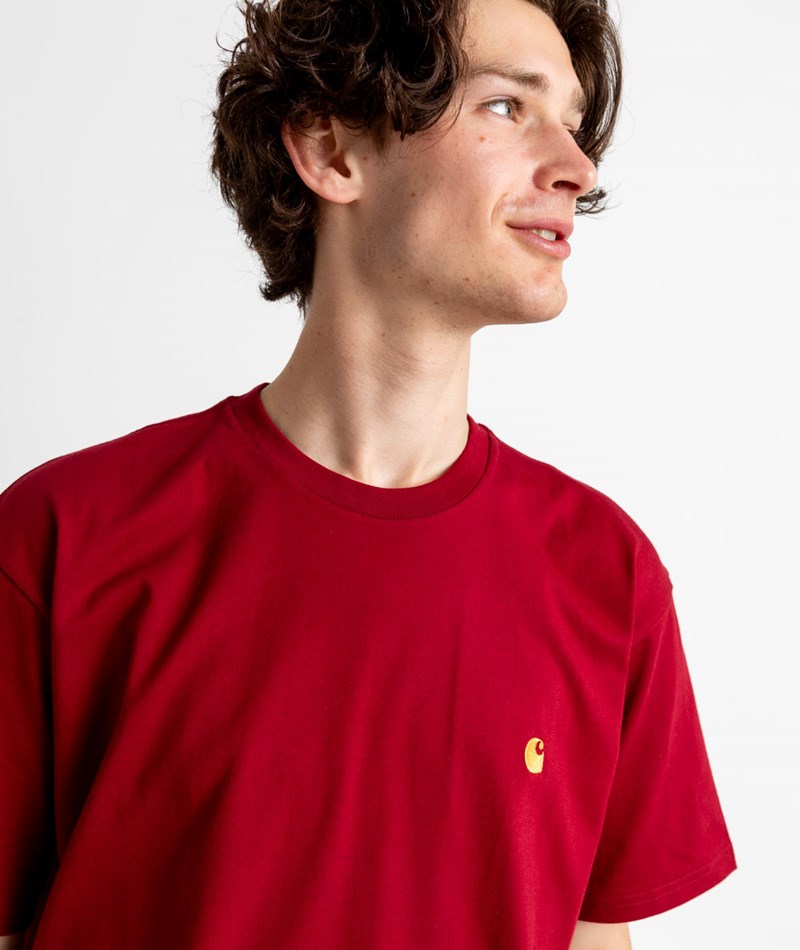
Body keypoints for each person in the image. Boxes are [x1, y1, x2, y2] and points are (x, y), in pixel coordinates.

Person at [0, 0, 736, 947]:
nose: (577, 167)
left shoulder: (608, 575)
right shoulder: (62, 541)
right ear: (331, 149)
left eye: (573, 120)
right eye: (507, 106)